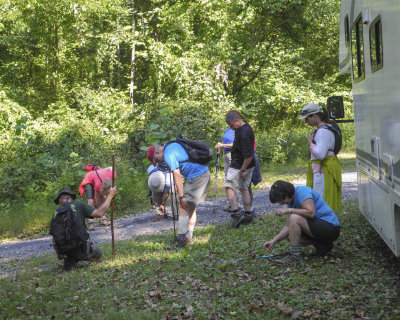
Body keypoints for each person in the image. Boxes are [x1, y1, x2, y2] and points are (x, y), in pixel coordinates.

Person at [263, 180, 341, 264]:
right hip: (320, 228)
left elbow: (311, 213)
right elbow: (288, 227)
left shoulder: (302, 191)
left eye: (282, 199)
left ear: (288, 192)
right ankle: (323, 245)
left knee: (293, 217)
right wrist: (273, 241)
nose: (281, 203)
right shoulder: (291, 202)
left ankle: (294, 255)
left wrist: (289, 210)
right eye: (279, 202)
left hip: (331, 228)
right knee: (291, 235)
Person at [153, 143, 210, 249]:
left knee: (183, 206)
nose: (160, 162)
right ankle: (189, 236)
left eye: (157, 160)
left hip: (197, 176)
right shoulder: (170, 146)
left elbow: (177, 174)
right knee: (190, 206)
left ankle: (180, 240)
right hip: (203, 173)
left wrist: (181, 197)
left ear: (158, 152)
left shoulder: (168, 155)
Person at [52, 186, 117, 271]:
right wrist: (110, 196)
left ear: (60, 201)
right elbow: (100, 213)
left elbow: (54, 238)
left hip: (66, 252)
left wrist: (59, 253)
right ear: (71, 198)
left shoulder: (56, 212)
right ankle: (84, 258)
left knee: (69, 267)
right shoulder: (79, 205)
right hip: (82, 249)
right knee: (98, 252)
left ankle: (70, 261)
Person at [299, 103, 342, 210]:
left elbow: (321, 154)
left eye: (307, 118)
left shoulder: (323, 131)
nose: (306, 121)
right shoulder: (327, 128)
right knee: (322, 197)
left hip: (324, 170)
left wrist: (310, 142)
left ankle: (324, 222)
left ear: (314, 116)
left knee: (321, 198)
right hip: (323, 168)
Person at [223, 110, 256, 228]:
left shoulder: (243, 133)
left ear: (238, 120)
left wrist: (242, 170)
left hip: (240, 164)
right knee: (244, 187)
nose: (230, 128)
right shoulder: (244, 127)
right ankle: (248, 214)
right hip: (248, 164)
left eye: (232, 125)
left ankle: (236, 214)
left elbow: (249, 155)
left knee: (229, 186)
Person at [79, 165, 116, 229]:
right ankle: (91, 222)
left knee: (104, 198)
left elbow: (111, 167)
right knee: (91, 201)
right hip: (89, 179)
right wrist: (99, 213)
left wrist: (103, 169)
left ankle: (103, 219)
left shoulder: (113, 175)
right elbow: (98, 200)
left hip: (98, 177)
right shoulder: (98, 185)